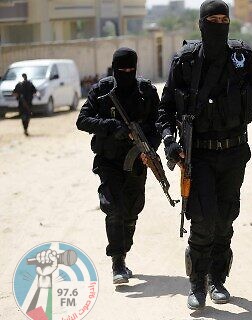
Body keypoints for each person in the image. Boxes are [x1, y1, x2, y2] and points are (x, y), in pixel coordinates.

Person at [157, 0, 252, 310]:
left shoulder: (242, 57)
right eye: (212, 18)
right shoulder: (184, 61)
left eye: (224, 18)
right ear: (201, 23)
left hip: (235, 152)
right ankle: (197, 283)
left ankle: (218, 279)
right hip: (198, 156)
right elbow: (165, 109)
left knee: (225, 219)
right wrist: (169, 140)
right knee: (203, 219)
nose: (219, 23)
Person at [76, 48, 161, 285]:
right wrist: (111, 126)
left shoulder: (146, 91)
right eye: (121, 69)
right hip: (109, 159)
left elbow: (158, 122)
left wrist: (149, 149)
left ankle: (124, 248)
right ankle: (117, 261)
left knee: (132, 209)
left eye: (130, 69)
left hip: (137, 159)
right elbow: (82, 120)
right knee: (113, 207)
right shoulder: (102, 91)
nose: (126, 73)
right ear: (114, 68)